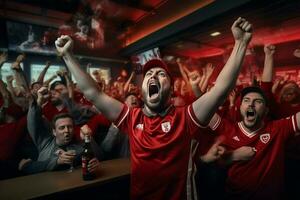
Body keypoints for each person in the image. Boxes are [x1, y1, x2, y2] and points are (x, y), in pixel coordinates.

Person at [55, 17, 252, 200]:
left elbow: (220, 89)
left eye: (161, 74)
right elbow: (93, 92)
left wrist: (241, 44)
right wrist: (68, 56)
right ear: (142, 88)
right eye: (149, 74)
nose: (153, 76)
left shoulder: (185, 117)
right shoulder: (132, 118)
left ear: (171, 88)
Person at [207, 86, 300, 199]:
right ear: (240, 107)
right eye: (246, 100)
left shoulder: (278, 129)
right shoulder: (227, 129)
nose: (251, 104)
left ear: (266, 111)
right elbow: (199, 112)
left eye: (258, 101)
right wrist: (233, 155)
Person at [20, 87, 100, 174]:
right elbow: (33, 122)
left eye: (69, 127)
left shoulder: (79, 148)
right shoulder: (45, 142)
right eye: (62, 128)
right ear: (54, 132)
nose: (66, 130)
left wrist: (90, 140)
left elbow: (99, 157)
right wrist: (39, 102)